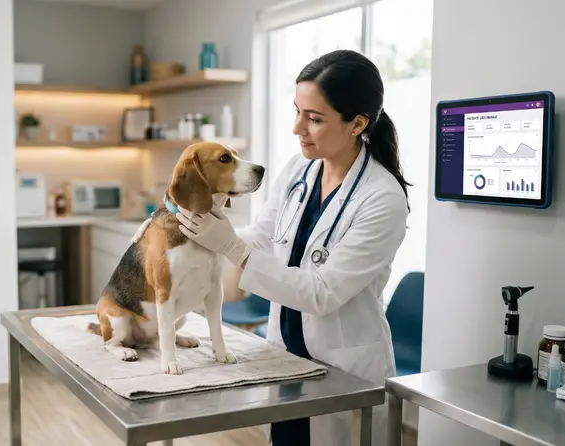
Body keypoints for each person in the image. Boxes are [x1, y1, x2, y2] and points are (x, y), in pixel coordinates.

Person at [174, 49, 410, 446]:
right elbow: (263, 235)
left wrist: (230, 246)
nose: (297, 128)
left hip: (343, 370)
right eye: (297, 111)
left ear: (357, 123)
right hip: (284, 357)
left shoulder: (382, 198)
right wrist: (194, 237)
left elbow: (322, 293)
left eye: (314, 119)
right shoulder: (299, 169)